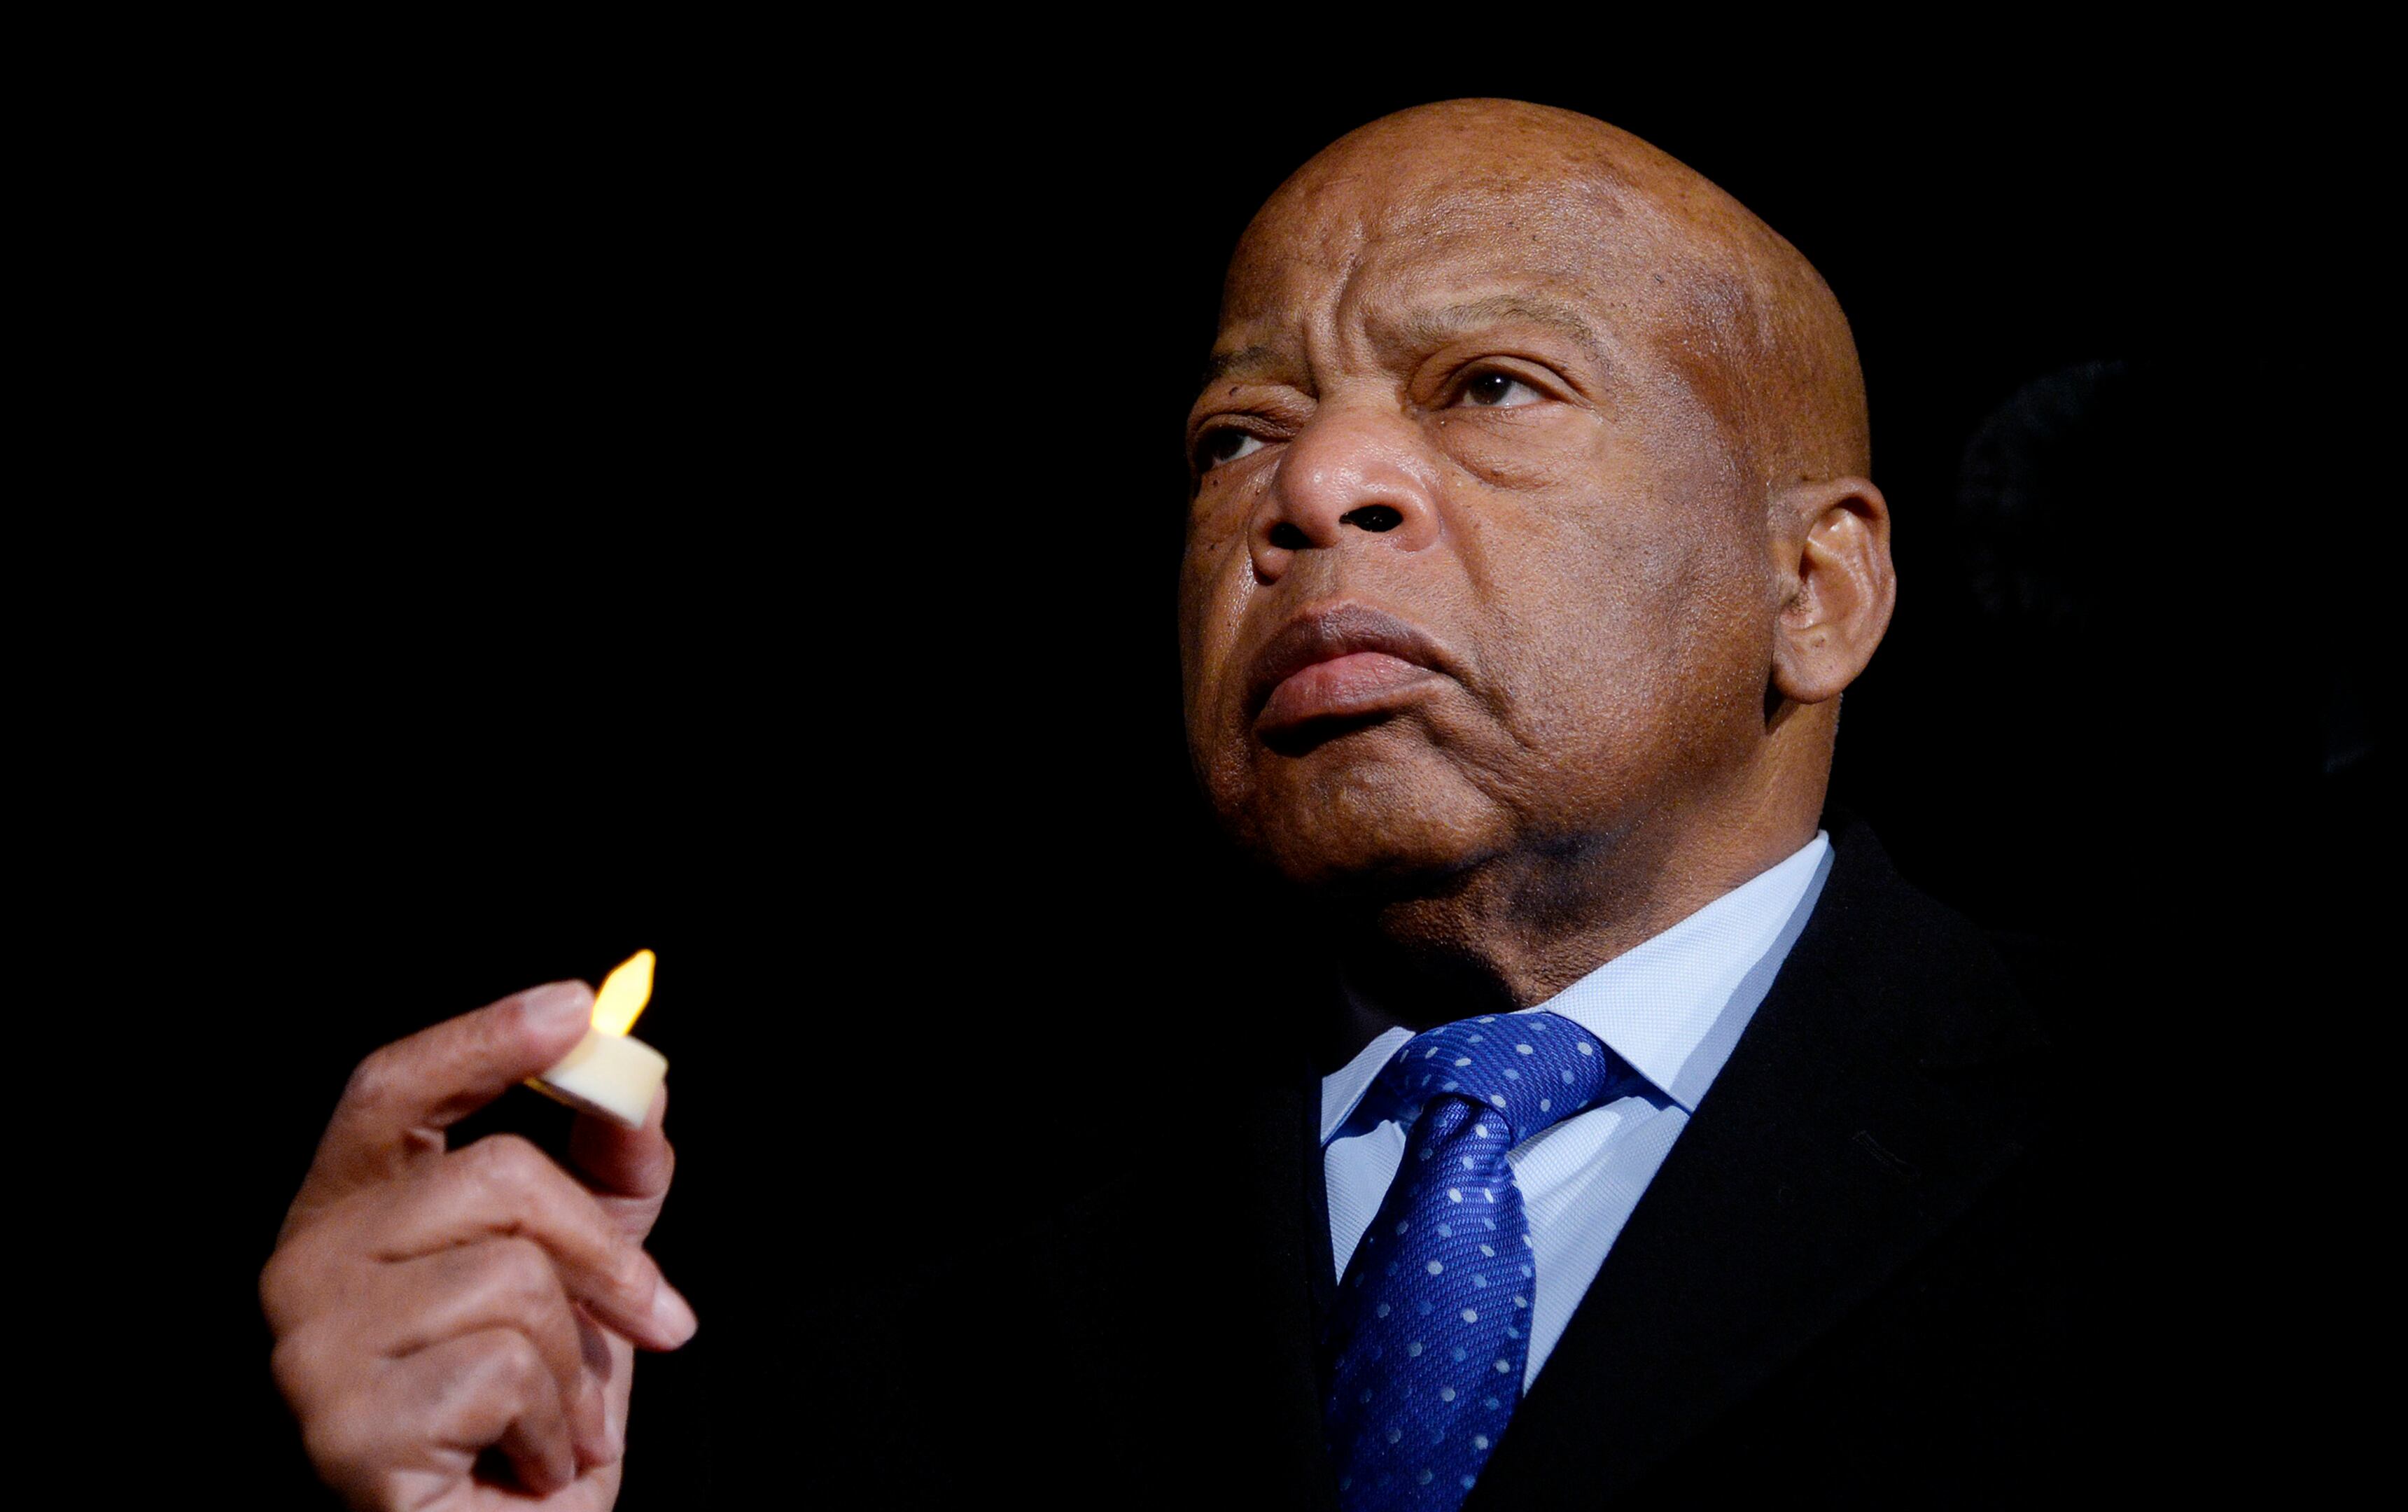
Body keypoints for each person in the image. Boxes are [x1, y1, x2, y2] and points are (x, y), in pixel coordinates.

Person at [262, 98, 2094, 1508]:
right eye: (1237, 437)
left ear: (1818, 591)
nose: (1316, 484)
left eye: (1490, 387)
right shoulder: (854, 1291)